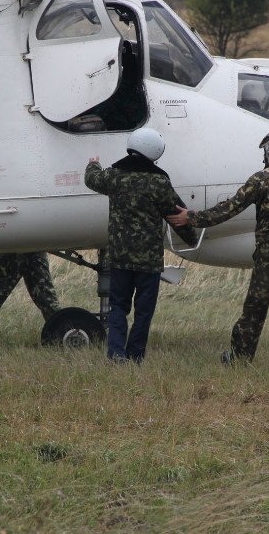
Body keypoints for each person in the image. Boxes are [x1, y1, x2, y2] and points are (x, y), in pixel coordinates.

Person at [167, 129, 269, 372]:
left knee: (254, 312)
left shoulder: (260, 180)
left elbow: (229, 209)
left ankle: (240, 360)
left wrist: (191, 218)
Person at [84, 127, 196, 363]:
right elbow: (176, 213)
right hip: (149, 261)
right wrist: (192, 238)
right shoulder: (159, 181)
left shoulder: (114, 176)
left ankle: (116, 353)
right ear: (156, 151)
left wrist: (93, 164)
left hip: (120, 258)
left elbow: (92, 179)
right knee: (144, 313)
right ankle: (135, 356)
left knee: (118, 307)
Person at [0, 252, 60, 328]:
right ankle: (61, 327)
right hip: (23, 247)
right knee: (47, 298)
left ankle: (61, 328)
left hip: (20, 248)